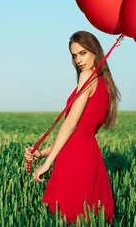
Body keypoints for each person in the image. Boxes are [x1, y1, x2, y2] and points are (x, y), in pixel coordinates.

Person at [24, 30, 121, 225]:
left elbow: (70, 125)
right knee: (89, 217)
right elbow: (79, 134)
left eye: (83, 53)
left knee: (68, 215)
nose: (78, 60)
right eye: (74, 55)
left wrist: (47, 164)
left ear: (95, 51)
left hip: (76, 160)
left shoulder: (87, 76)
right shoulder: (106, 85)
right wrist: (41, 153)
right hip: (89, 156)